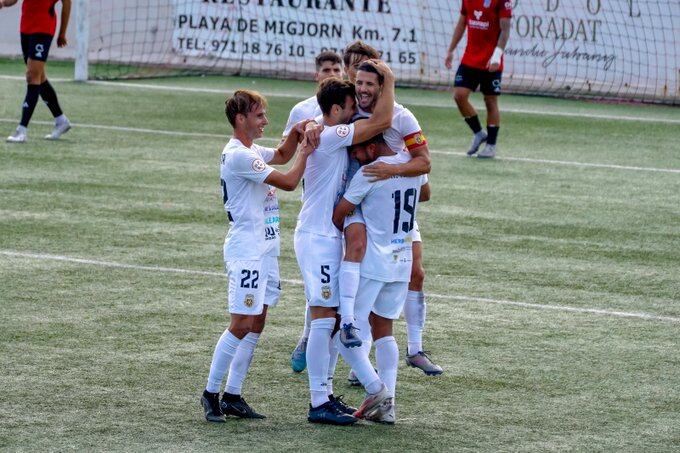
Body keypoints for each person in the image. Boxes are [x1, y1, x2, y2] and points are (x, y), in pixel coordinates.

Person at [201, 90, 315, 423]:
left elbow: (280, 153)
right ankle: (210, 393)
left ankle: (233, 395)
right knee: (240, 324)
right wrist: (306, 151)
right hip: (247, 251)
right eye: (260, 115)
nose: (265, 120)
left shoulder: (250, 150)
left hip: (265, 248)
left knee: (258, 320)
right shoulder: (239, 156)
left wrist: (297, 134)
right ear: (241, 120)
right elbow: (290, 180)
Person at [295, 64, 395, 425]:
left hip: (324, 236)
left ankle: (325, 395)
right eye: (351, 107)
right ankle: (318, 402)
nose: (356, 113)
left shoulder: (324, 130)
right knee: (324, 318)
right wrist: (390, 82)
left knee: (330, 318)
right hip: (317, 237)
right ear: (337, 110)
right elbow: (381, 122)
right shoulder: (336, 132)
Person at [341, 42, 443, 380]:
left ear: (384, 84)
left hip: (394, 197)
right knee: (351, 285)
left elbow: (424, 166)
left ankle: (414, 350)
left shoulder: (403, 117)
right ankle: (334, 352)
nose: (363, 87)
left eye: (371, 81)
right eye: (359, 79)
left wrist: (391, 171)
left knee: (414, 273)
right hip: (364, 199)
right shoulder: (350, 109)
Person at [333, 133, 430, 424]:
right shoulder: (413, 165)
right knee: (384, 331)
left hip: (372, 265)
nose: (354, 157)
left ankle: (378, 391)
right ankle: (389, 410)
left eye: (357, 150)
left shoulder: (370, 172)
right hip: (401, 263)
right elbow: (425, 193)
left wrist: (355, 217)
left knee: (343, 334)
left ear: (372, 145)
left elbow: (339, 215)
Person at [286, 50, 344, 374]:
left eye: (337, 68)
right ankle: (308, 336)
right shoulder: (304, 111)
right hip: (318, 205)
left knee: (345, 283)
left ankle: (350, 357)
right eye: (326, 68)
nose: (332, 72)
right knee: (323, 290)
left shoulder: (348, 108)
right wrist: (305, 130)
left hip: (345, 206)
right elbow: (289, 147)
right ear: (315, 74)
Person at [444, 0, 512, 158]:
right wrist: (451, 50)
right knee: (459, 96)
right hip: (470, 59)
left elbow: (505, 30)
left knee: (490, 101)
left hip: (491, 62)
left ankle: (491, 145)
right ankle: (479, 133)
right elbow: (462, 23)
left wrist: (496, 56)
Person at [3, 0, 72, 143]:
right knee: (38, 77)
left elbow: (67, 4)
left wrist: (62, 33)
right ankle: (61, 120)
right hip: (26, 27)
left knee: (32, 76)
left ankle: (21, 131)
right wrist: (3, 3)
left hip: (43, 28)